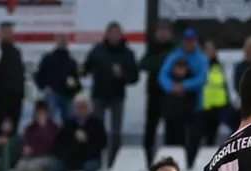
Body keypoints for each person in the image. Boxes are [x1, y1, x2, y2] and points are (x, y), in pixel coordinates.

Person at [83, 21, 140, 160]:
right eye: (112, 33)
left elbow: (134, 77)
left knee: (116, 132)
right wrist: (82, 70)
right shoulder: (97, 50)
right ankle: (95, 158)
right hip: (99, 95)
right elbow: (86, 68)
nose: (115, 37)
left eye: (117, 34)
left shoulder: (127, 53)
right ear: (107, 34)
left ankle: (114, 160)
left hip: (117, 96)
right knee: (97, 129)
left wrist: (123, 75)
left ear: (121, 35)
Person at [158, 28, 208, 164]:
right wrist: (171, 87)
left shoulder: (201, 58)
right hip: (174, 106)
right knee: (173, 135)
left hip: (194, 105)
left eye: (191, 41)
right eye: (186, 41)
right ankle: (171, 162)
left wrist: (184, 86)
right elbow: (162, 75)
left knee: (194, 136)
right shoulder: (174, 56)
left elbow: (202, 78)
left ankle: (191, 163)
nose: (189, 44)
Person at [140, 19, 176, 163]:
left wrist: (161, 65)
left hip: (169, 94)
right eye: (160, 31)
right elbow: (143, 64)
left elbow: (176, 65)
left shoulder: (174, 48)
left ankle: (170, 158)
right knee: (150, 128)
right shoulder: (152, 47)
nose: (162, 34)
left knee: (171, 127)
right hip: (154, 93)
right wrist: (162, 63)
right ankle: (147, 158)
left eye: (165, 31)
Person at [51, 96, 107, 171]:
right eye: (78, 107)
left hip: (90, 157)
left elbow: (103, 143)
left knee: (90, 169)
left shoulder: (97, 123)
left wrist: (88, 139)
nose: (80, 110)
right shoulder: (69, 123)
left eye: (83, 107)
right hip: (72, 157)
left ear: (89, 109)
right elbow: (59, 142)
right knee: (57, 169)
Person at [34, 34, 81, 124]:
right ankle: (48, 138)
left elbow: (76, 80)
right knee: (48, 122)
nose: (63, 42)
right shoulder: (48, 58)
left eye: (65, 39)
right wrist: (44, 87)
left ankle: (68, 138)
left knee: (69, 123)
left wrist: (74, 86)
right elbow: (39, 74)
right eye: (61, 39)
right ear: (56, 41)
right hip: (52, 94)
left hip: (67, 96)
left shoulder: (71, 61)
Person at [0, 21, 25, 135]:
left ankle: (12, 150)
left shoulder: (16, 52)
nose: (7, 34)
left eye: (9, 31)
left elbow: (20, 74)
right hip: (0, 96)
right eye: (4, 31)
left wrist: (21, 92)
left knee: (13, 128)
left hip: (15, 97)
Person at [13, 100, 59, 171]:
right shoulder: (30, 128)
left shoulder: (54, 128)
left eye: (42, 112)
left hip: (47, 157)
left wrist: (43, 128)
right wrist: (26, 148)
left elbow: (50, 144)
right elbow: (25, 141)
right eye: (37, 112)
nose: (39, 115)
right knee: (19, 168)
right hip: (31, 158)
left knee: (33, 169)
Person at [201, 41, 230, 145]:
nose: (209, 52)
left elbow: (225, 85)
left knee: (212, 137)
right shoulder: (200, 65)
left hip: (218, 106)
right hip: (203, 106)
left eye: (211, 49)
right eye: (207, 50)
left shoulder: (219, 66)